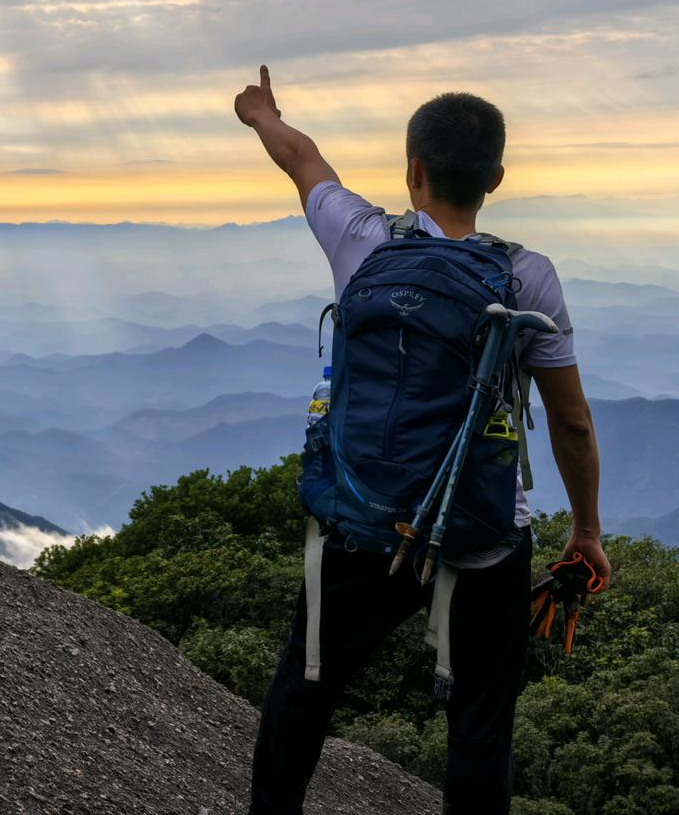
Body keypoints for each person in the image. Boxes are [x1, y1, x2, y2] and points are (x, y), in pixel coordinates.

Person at [234, 66, 611, 815]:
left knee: (303, 688)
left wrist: (260, 115)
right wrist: (587, 530)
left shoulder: (363, 241)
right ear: (496, 177)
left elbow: (302, 159)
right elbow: (569, 419)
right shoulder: (525, 276)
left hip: (363, 520)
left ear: (413, 170)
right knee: (478, 724)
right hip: (487, 532)